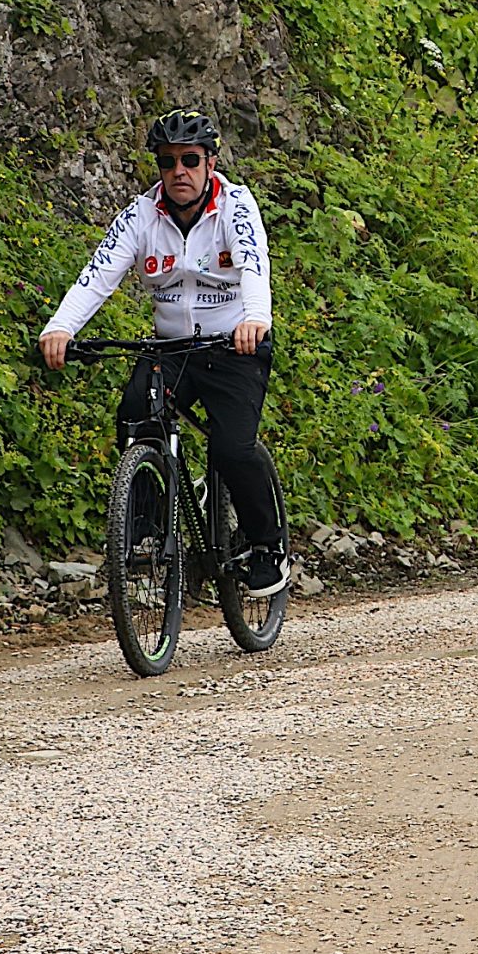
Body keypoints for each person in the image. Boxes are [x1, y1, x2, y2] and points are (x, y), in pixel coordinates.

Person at [38, 110, 287, 596]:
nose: (179, 172)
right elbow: (98, 275)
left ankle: (266, 546)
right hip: (172, 349)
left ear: (210, 162)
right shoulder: (139, 215)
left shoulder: (236, 206)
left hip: (234, 344)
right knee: (135, 413)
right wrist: (61, 327)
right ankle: (149, 522)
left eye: (190, 160)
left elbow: (254, 265)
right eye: (168, 162)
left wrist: (255, 320)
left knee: (232, 448)